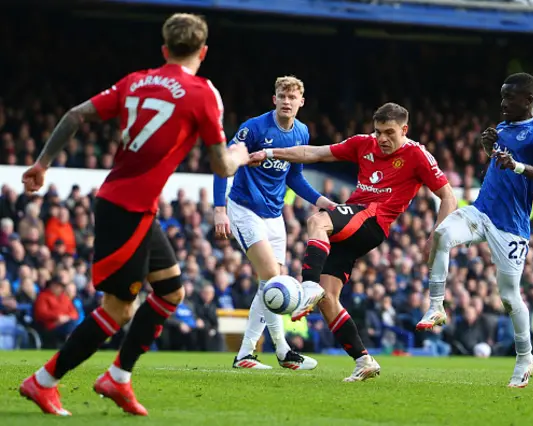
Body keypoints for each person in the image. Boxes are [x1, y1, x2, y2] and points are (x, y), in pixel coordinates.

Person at [19, 13, 249, 416]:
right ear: (203, 51)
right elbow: (221, 167)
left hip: (133, 207)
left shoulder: (135, 81)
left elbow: (75, 114)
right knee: (119, 309)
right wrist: (241, 155)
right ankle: (43, 382)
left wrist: (42, 164)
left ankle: (118, 378)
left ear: (164, 49)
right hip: (126, 210)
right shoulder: (202, 93)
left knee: (171, 292)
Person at [249, 102, 457, 381]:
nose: (382, 139)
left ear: (404, 129)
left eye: (390, 132)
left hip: (373, 219)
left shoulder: (417, 155)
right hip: (355, 222)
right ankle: (363, 360)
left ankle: (307, 286)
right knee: (328, 298)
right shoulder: (363, 144)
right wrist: (270, 152)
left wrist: (437, 236)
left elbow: (449, 197)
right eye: (378, 131)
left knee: (317, 221)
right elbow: (314, 153)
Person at [417, 73, 533, 388]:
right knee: (441, 233)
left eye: (509, 98)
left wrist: (518, 166)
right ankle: (437, 305)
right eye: (502, 96)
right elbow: (501, 165)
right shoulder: (504, 129)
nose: (503, 103)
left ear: (528, 100)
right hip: (481, 211)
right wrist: (488, 150)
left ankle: (525, 356)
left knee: (509, 296)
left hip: (511, 227)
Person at [213, 76, 334, 370]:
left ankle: (245, 355)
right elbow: (223, 163)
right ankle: (283, 351)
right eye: (282, 96)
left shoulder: (301, 132)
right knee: (272, 276)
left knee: (269, 284)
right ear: (274, 99)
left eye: (293, 97)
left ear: (301, 102)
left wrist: (322, 202)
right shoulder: (254, 128)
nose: (287, 101)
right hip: (244, 208)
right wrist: (219, 209)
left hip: (274, 213)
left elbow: (294, 177)